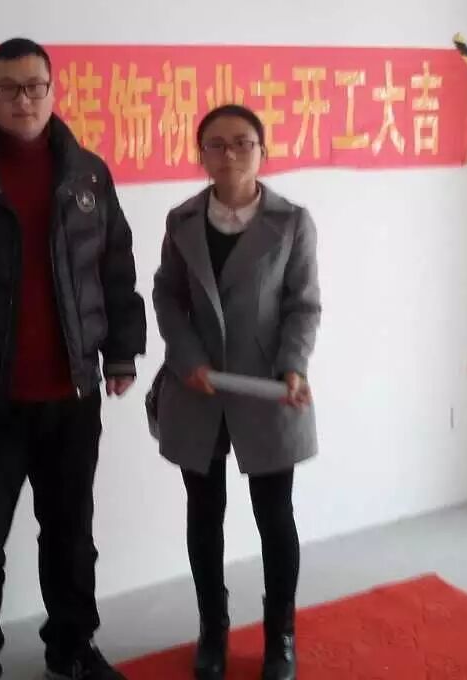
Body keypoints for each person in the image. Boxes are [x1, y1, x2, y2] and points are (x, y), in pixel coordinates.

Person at [0, 37, 148, 680]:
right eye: (9, 87)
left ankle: (72, 647)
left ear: (52, 89)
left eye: (34, 86)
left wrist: (122, 351)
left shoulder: (88, 174)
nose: (23, 99)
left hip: (71, 394)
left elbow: (116, 267)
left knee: (71, 535)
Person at [148, 104, 320, 680]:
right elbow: (168, 297)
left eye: (243, 142)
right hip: (198, 389)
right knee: (205, 515)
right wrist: (188, 359)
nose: (230, 154)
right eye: (216, 144)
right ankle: (213, 631)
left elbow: (303, 305)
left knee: (275, 516)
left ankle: (280, 637)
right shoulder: (181, 221)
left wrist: (293, 367)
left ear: (262, 152)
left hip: (265, 388)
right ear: (201, 155)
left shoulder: (292, 222)